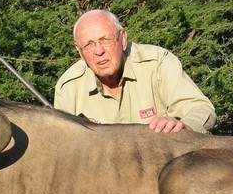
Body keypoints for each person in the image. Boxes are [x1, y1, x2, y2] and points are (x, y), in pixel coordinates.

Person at [54, 10, 216, 133]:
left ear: (123, 39)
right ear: (79, 51)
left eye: (105, 40)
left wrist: (185, 126)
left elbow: (200, 108)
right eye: (88, 45)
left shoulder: (158, 62)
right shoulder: (67, 88)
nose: (98, 51)